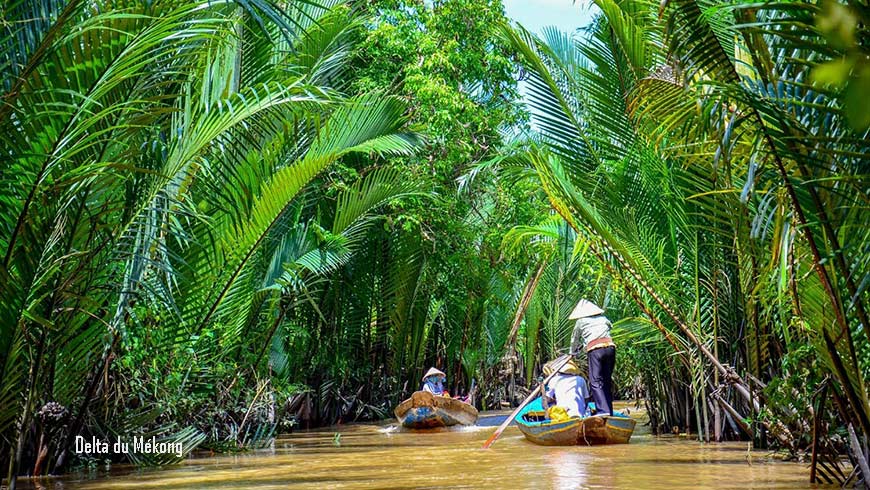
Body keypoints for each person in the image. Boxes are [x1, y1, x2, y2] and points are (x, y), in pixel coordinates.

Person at [569, 299, 615, 416]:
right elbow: (610, 327)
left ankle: (603, 411)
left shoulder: (581, 321)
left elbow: (574, 339)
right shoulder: (603, 319)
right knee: (606, 380)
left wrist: (572, 353)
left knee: (595, 381)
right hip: (610, 348)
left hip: (595, 350)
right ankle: (609, 411)